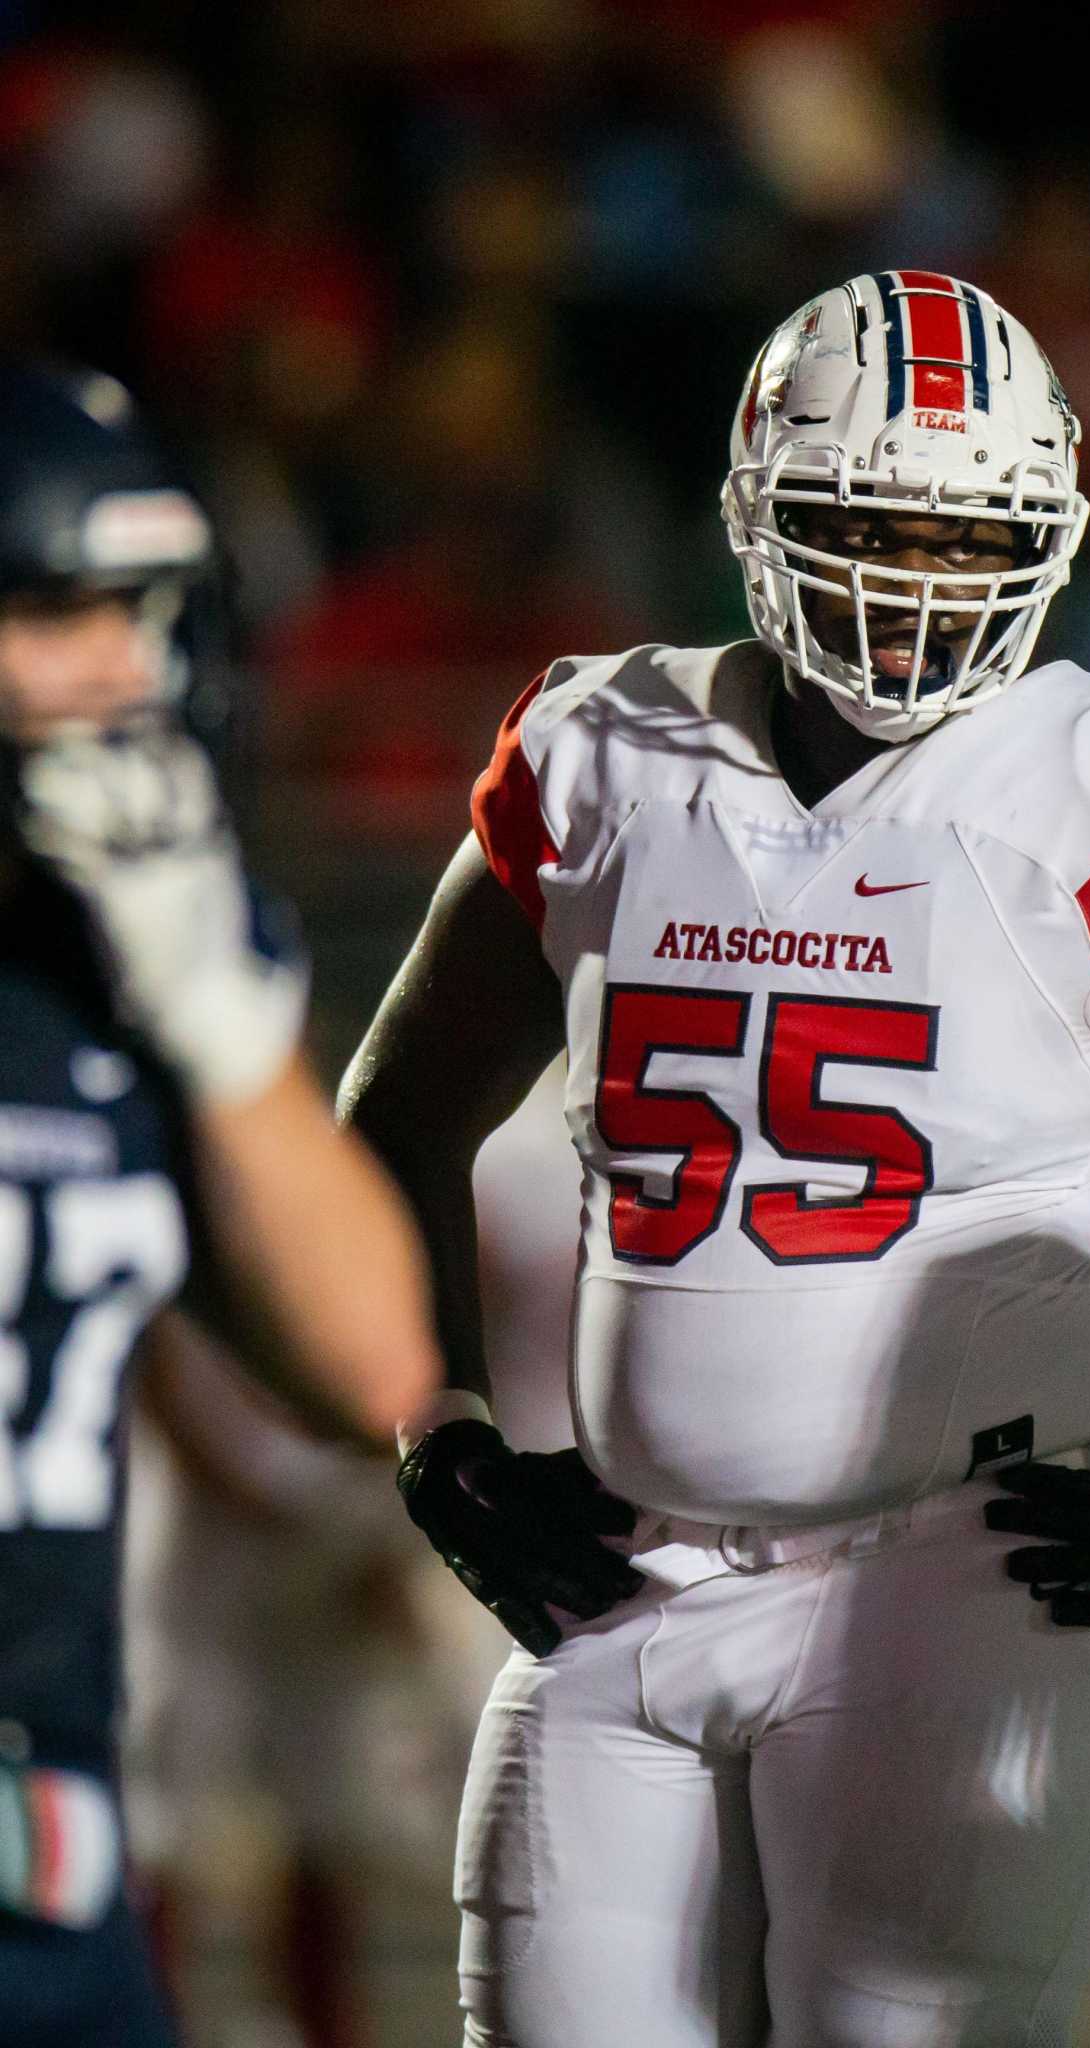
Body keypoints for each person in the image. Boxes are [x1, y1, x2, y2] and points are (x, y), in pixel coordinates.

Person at [344, 270, 1090, 2048]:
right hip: (622, 1578)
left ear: (1046, 538)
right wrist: (434, 1433)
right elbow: (394, 1115)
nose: (917, 582)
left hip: (957, 1577)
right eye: (865, 521)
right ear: (757, 509)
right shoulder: (601, 746)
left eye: (970, 536)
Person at [0, 359, 442, 2048]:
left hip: (57, 1879)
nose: (125, 667)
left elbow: (369, 1363)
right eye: (59, 609)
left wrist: (215, 1018)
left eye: (146, 608)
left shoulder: (130, 952)